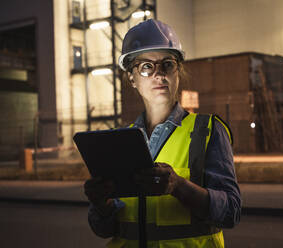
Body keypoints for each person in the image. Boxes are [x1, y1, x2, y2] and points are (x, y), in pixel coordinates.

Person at [84, 19, 241, 248]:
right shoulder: (120, 142)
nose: (158, 74)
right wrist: (101, 204)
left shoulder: (207, 131)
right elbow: (103, 229)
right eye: (146, 66)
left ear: (178, 71)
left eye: (167, 64)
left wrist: (178, 186)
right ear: (132, 78)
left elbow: (232, 212)